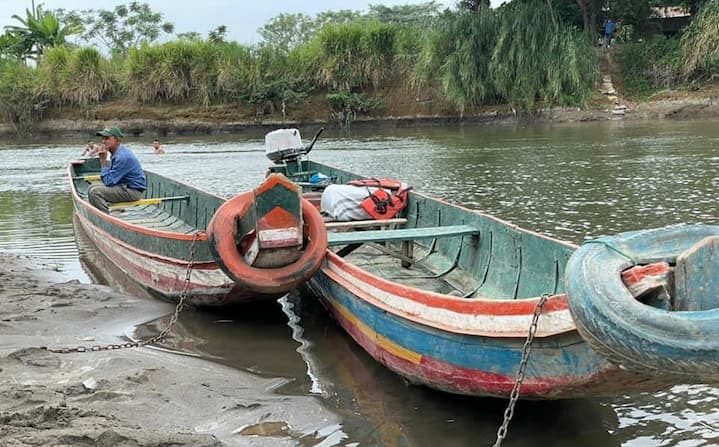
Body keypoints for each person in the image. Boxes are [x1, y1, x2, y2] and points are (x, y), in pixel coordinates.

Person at [88, 127, 147, 214]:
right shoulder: (117, 153)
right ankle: (105, 209)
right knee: (91, 187)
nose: (103, 141)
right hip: (124, 186)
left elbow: (108, 181)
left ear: (117, 140)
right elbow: (109, 179)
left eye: (107, 138)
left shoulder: (122, 157)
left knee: (95, 192)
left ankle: (106, 219)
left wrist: (103, 161)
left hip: (132, 191)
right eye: (103, 138)